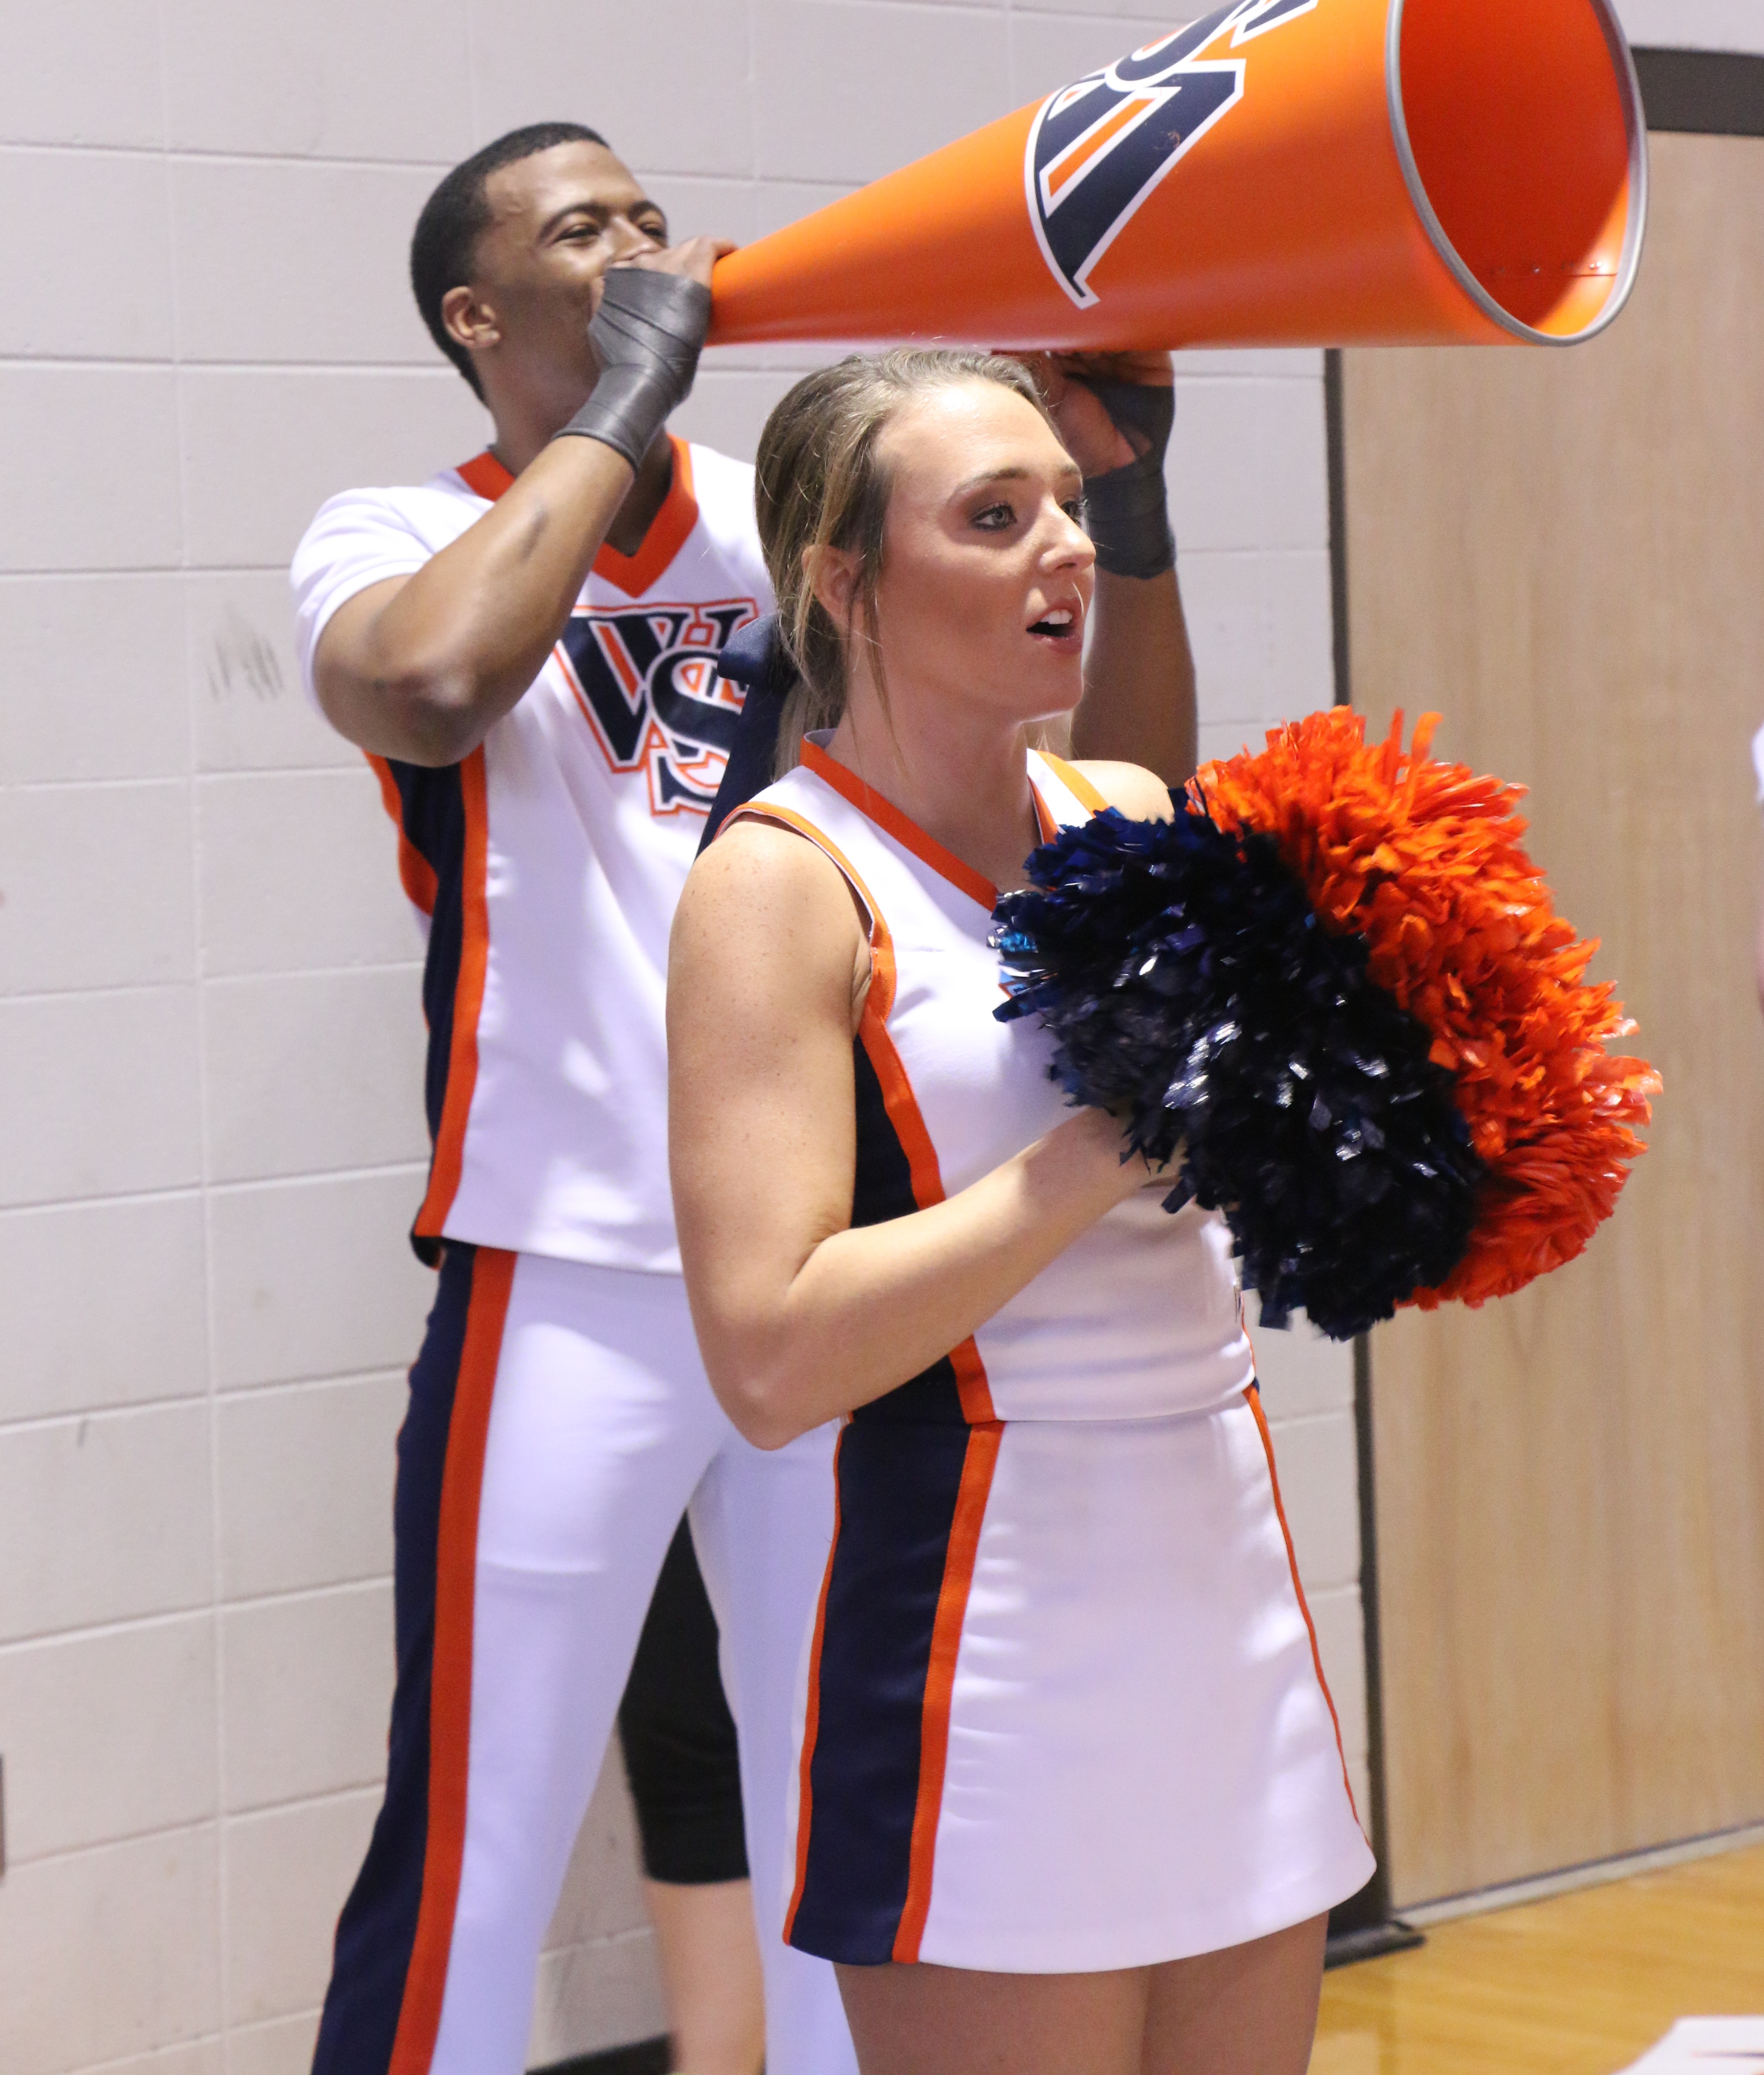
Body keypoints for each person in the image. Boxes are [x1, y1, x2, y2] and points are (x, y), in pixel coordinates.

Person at [290, 122, 1197, 2075]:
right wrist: (622, 402)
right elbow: (437, 687)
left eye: (645, 211)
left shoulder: (779, 520)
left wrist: (1119, 524)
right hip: (561, 1275)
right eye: (578, 231)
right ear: (478, 311)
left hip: (823, 1262)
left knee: (833, 1842)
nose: (636, 242)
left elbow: (1099, 826)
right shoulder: (388, 528)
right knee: (476, 1846)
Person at [667, 348, 1373, 2075]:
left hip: (1228, 1611)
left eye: (1065, 502)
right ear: (846, 579)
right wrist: (1084, 1164)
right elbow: (765, 1357)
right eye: (997, 517)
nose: (1062, 548)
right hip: (988, 1646)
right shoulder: (781, 882)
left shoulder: (1121, 812)